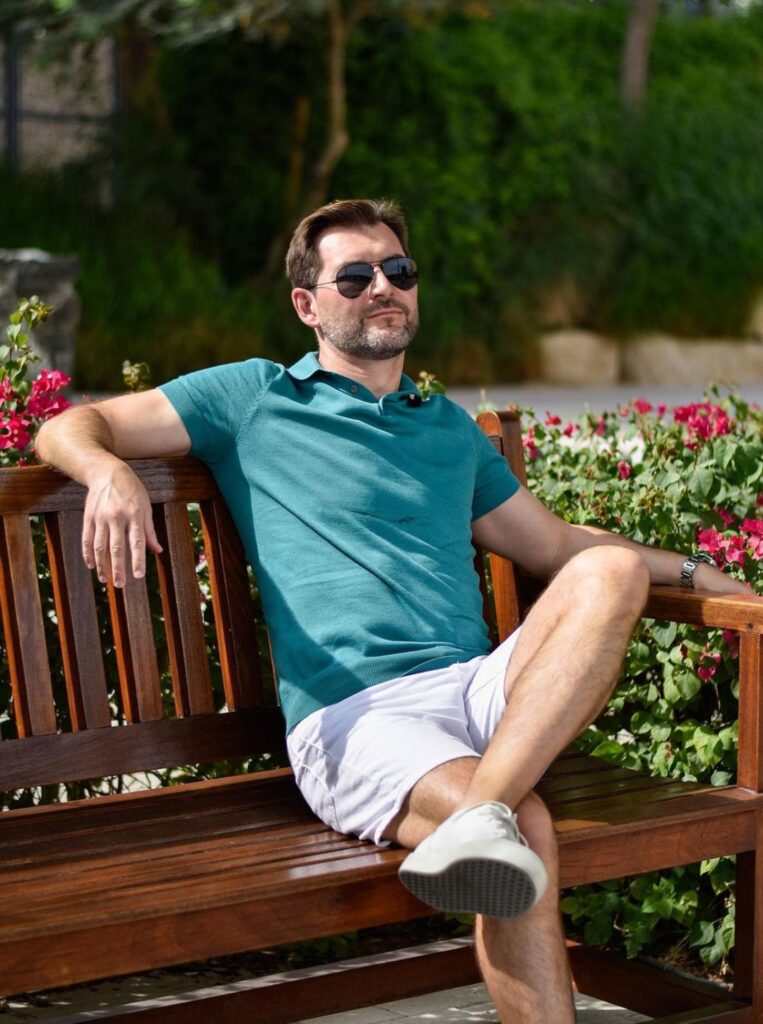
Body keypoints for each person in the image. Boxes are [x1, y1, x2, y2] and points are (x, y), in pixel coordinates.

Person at [35, 198, 750, 1024]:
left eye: (398, 271)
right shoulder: (251, 398)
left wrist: (707, 576)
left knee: (611, 569)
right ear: (307, 305)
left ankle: (479, 813)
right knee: (524, 826)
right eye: (356, 275)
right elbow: (69, 424)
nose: (384, 286)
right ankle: (490, 814)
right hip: (358, 718)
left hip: (481, 696)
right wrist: (108, 471)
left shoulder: (445, 429)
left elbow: (554, 548)